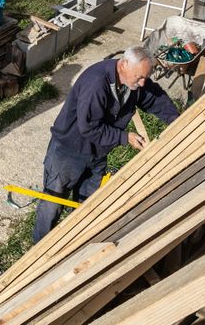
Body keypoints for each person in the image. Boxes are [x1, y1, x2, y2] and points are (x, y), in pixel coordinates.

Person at [32, 47, 179, 243]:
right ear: (124, 64)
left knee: (89, 204)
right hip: (69, 151)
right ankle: (40, 249)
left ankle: (76, 244)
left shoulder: (133, 81)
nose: (143, 82)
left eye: (146, 77)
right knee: (53, 201)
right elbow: (89, 128)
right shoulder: (96, 83)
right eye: (140, 77)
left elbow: (155, 99)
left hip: (97, 152)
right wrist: (124, 138)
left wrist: (177, 121)